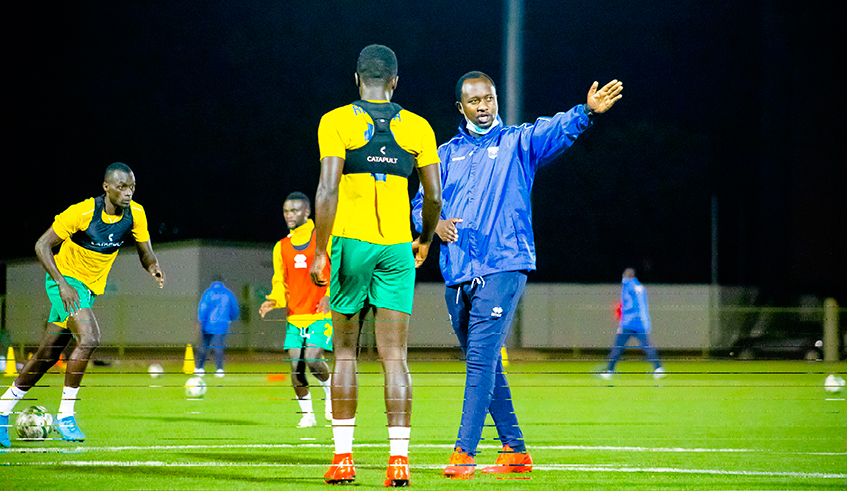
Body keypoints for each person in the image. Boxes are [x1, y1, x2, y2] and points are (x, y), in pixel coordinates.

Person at [411, 71, 623, 479]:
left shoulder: (517, 142)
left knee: (478, 361)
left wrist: (585, 113)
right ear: (461, 108)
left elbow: (553, 130)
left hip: (504, 264)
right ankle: (514, 451)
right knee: (485, 364)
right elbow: (419, 204)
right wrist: (432, 224)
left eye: (489, 98)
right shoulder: (443, 154)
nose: (484, 105)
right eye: (475, 101)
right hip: (457, 271)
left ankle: (463, 453)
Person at [310, 44, 442, 487]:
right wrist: (423, 239)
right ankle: (399, 463)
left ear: (356, 79)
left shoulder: (336, 121)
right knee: (395, 357)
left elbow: (327, 190)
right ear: (395, 82)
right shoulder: (419, 127)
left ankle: (343, 459)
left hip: (351, 242)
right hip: (397, 248)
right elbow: (436, 198)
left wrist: (319, 248)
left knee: (345, 352)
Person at [0, 162, 164, 448]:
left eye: (132, 187)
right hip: (65, 283)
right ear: (106, 187)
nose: (128, 193)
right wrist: (62, 284)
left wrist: (153, 267)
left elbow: (145, 252)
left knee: (47, 355)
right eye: (122, 187)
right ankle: (66, 415)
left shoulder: (136, 214)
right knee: (89, 338)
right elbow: (41, 245)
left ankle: (1, 412)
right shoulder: (83, 211)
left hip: (88, 290)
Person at [259, 192, 333, 429]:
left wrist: (330, 297)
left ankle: (330, 389)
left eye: (294, 211)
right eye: (286, 211)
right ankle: (308, 415)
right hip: (295, 316)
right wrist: (274, 300)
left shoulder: (323, 238)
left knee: (312, 358)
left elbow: (339, 270)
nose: (289, 215)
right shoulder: (280, 247)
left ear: (307, 212)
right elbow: (280, 281)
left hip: (321, 314)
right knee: (295, 367)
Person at [601, 268, 665, 380]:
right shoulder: (640, 287)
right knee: (647, 346)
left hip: (629, 323)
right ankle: (658, 368)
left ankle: (609, 371)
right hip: (641, 323)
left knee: (618, 347)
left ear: (625, 276)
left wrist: (621, 318)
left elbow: (628, 306)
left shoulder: (627, 287)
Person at [195, 278, 240, 378]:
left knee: (204, 346)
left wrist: (200, 321)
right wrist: (232, 318)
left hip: (207, 323)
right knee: (218, 346)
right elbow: (234, 308)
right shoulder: (228, 293)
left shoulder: (208, 293)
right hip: (222, 323)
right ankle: (219, 369)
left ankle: (200, 368)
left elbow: (203, 307)